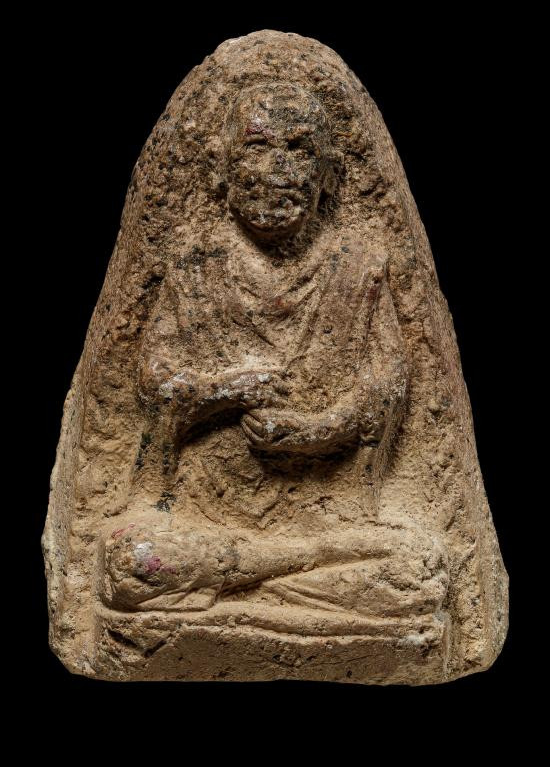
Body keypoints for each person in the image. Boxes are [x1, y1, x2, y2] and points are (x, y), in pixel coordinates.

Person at [102, 83, 449, 624]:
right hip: (204, 515)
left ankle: (244, 587)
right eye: (257, 148)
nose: (278, 171)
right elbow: (154, 385)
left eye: (300, 150)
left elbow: (387, 386)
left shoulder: (360, 265)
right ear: (221, 168)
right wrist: (223, 390)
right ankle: (291, 584)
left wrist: (323, 428)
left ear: (329, 174)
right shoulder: (194, 263)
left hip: (327, 513)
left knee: (421, 569)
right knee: (132, 562)